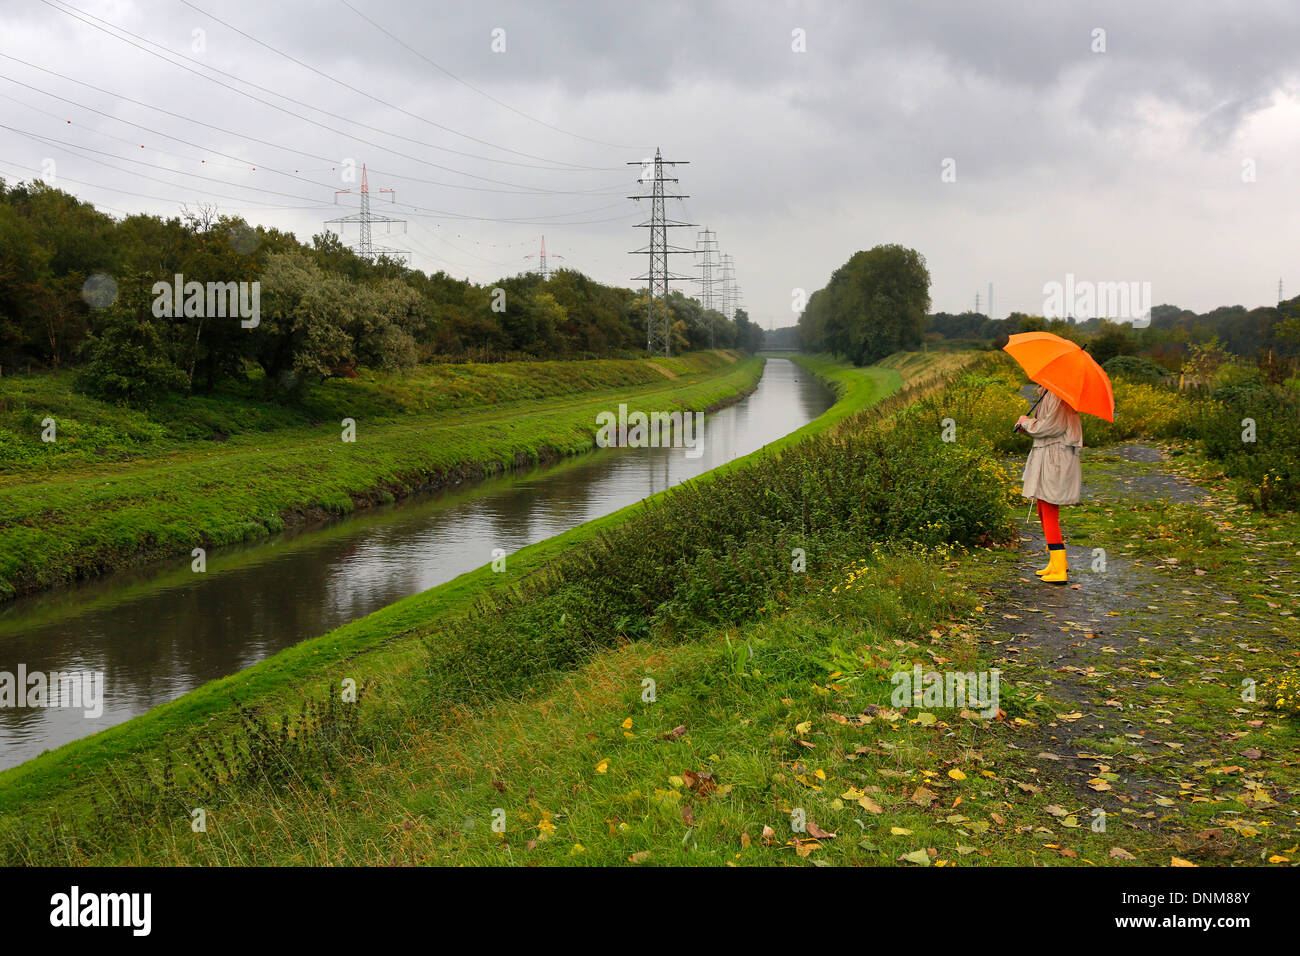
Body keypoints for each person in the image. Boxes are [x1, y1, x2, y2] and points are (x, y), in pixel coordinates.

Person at [1016, 385, 1084, 584]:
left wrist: (1026, 423)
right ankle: (1056, 562)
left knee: (1048, 505)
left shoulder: (1057, 394)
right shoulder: (1049, 392)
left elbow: (1052, 427)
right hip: (1049, 453)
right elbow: (1046, 426)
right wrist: (1027, 427)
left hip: (1055, 457)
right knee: (1042, 505)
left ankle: (1060, 566)